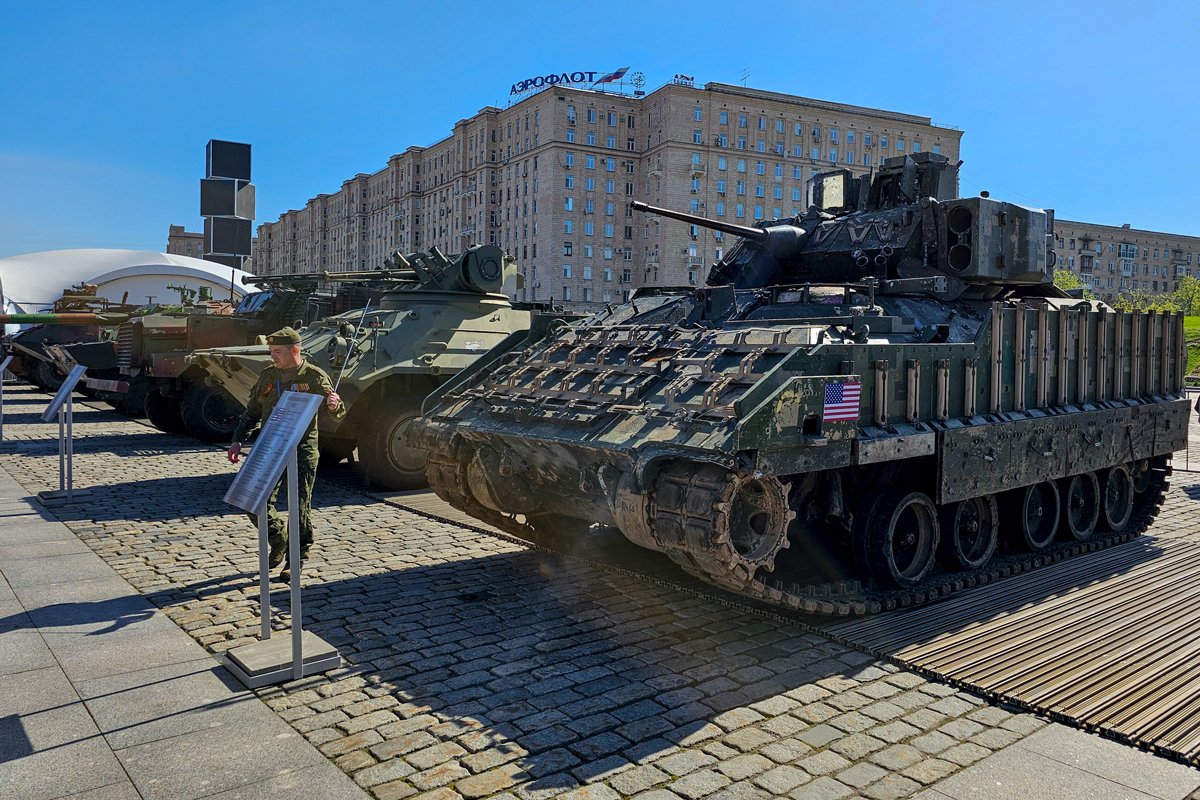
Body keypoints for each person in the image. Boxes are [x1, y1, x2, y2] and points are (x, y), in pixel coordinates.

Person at [227, 327, 345, 580]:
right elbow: (252, 411)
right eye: (271, 352)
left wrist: (335, 406)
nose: (273, 357)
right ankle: (279, 539)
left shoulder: (314, 376)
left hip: (301, 450)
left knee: (299, 506)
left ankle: (297, 558)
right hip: (271, 447)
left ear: (295, 350)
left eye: (277, 352)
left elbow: (336, 412)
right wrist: (237, 440)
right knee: (253, 501)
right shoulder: (269, 375)